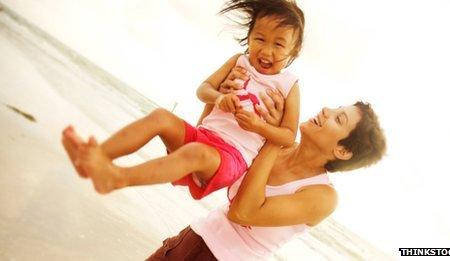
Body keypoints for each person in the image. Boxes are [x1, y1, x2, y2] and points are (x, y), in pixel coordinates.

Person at [61, 0, 305, 199]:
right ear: (249, 36)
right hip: (203, 136)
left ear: (293, 51)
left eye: (279, 44)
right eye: (260, 39)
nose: (266, 51)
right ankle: (94, 158)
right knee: (161, 117)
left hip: (232, 156)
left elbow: (288, 136)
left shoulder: (288, 85)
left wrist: (258, 126)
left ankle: (117, 178)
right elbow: (203, 90)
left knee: (195, 153)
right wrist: (219, 98)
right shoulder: (238, 61)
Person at [146, 79, 387, 260]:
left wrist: (273, 135)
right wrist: (220, 97)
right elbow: (202, 160)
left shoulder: (323, 197)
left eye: (338, 119)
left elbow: (242, 212)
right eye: (336, 109)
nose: (326, 110)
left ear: (343, 151)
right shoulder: (274, 146)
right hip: (188, 240)